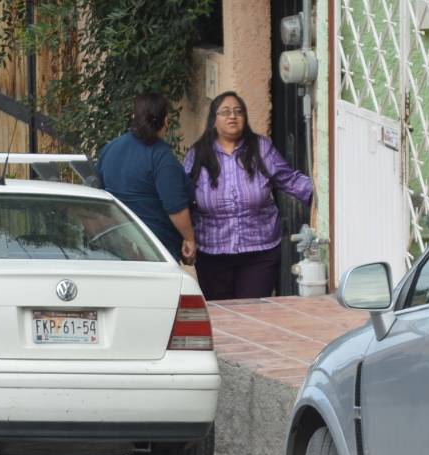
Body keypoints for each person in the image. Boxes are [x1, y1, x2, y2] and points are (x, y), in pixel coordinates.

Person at [184, 91, 313, 300]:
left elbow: (289, 179)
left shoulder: (261, 148)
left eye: (238, 111)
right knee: (220, 313)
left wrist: (325, 196)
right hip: (212, 253)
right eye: (225, 112)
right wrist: (186, 237)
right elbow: (182, 197)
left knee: (253, 310)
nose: (232, 116)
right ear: (214, 120)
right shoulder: (198, 153)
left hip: (260, 252)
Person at [96, 93, 196, 264]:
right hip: (155, 248)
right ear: (166, 121)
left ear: (133, 117)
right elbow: (175, 206)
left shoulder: (110, 149)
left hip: (116, 245)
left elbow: (98, 195)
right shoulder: (161, 157)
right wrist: (189, 238)